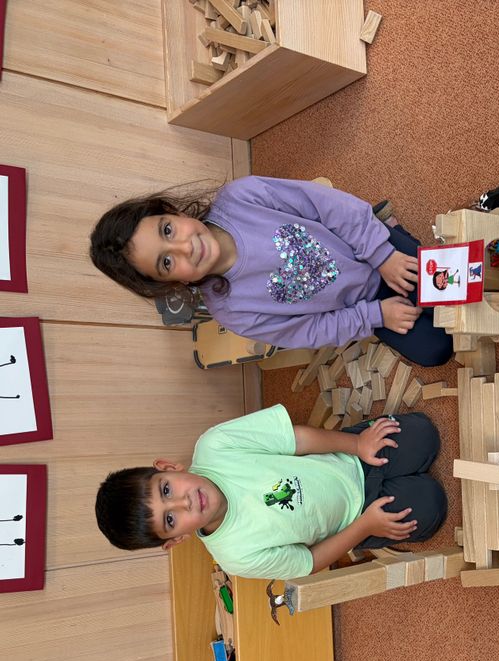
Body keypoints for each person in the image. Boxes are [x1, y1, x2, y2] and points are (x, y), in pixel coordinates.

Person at [89, 177, 453, 367]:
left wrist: (381, 253)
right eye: (167, 262)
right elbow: (310, 331)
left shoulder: (241, 197)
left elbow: (327, 206)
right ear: (174, 282)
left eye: (168, 230)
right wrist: (374, 316)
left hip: (372, 253)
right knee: (438, 349)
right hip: (368, 305)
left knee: (454, 282)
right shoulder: (232, 311)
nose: (184, 247)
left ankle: (389, 229)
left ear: (173, 211)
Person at [94, 406, 447, 580]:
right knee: (432, 504)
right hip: (358, 517)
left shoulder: (215, 445)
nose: (183, 502)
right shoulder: (235, 557)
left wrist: (357, 445)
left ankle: (370, 444)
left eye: (167, 489)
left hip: (349, 458)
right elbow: (308, 561)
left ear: (168, 467)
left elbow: (297, 439)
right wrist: (366, 526)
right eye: (171, 519)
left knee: (424, 435)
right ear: (176, 540)